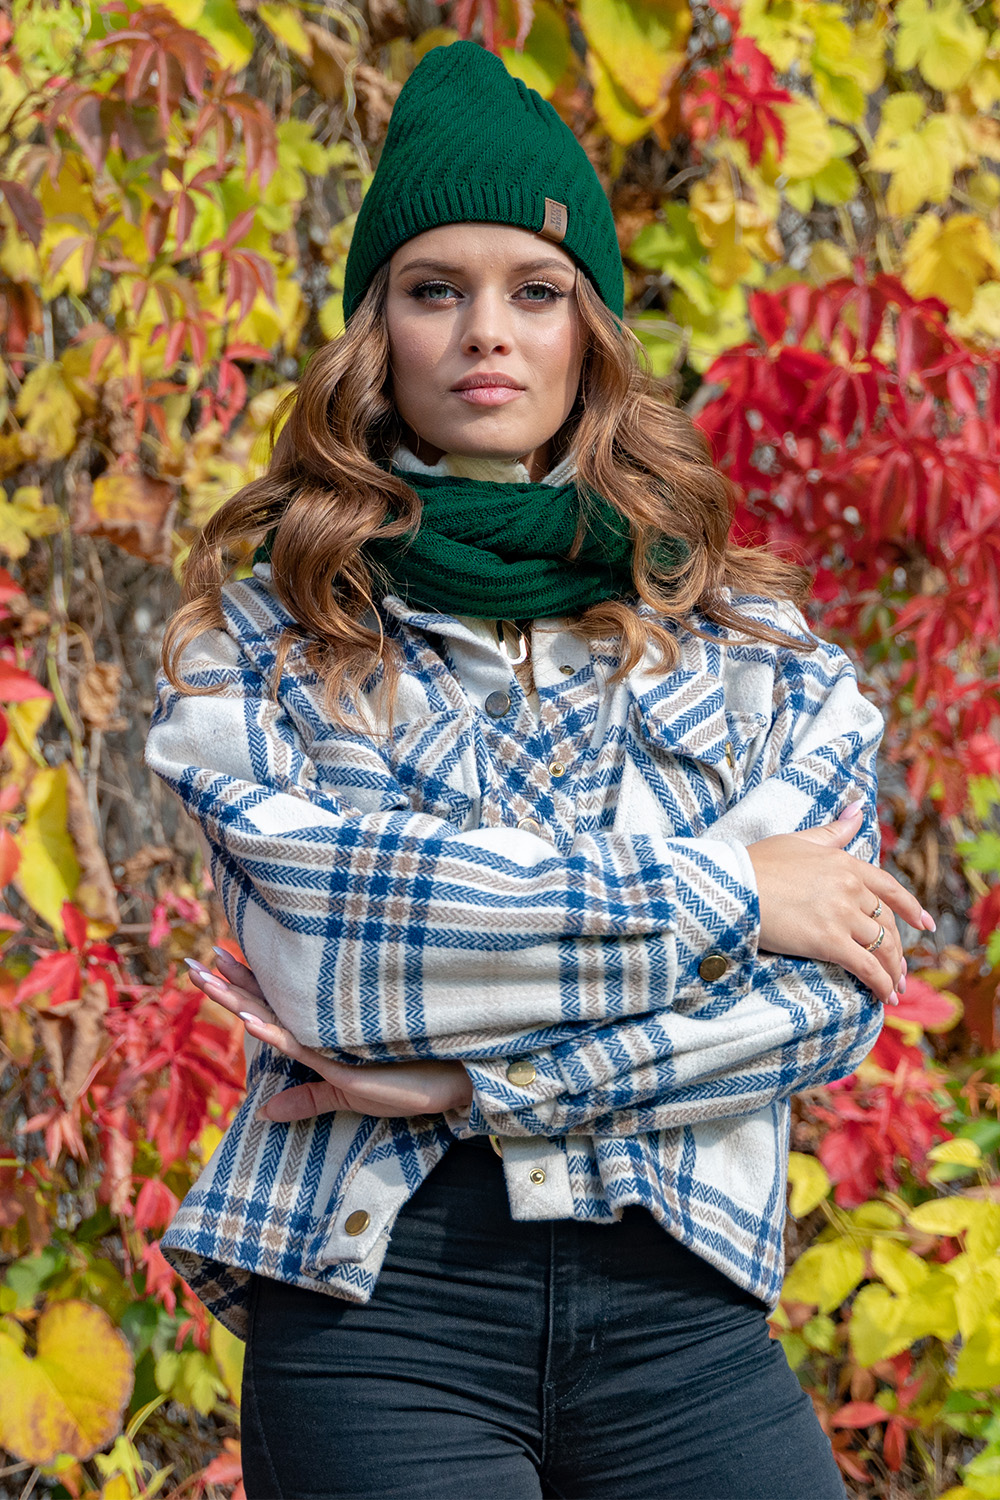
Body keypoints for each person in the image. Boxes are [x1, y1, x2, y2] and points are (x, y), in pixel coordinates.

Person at [145, 40, 934, 1500]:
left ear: (593, 331)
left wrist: (467, 1076)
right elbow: (338, 948)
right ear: (376, 330)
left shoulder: (753, 650)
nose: (485, 334)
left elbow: (828, 1002)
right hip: (382, 1307)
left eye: (536, 291)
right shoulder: (263, 640)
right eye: (434, 290)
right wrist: (735, 893)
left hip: (684, 1316)